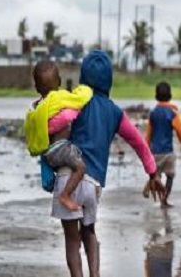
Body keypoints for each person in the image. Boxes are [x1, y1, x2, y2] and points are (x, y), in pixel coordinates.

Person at [49, 50, 165, 277]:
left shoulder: (74, 102)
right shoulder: (115, 112)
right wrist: (153, 172)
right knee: (89, 232)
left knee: (72, 239)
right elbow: (139, 143)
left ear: (83, 77)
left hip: (66, 178)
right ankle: (95, 274)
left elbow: (53, 126)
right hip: (93, 184)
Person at [25, 60, 92, 211]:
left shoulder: (38, 107)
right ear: (60, 81)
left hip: (49, 154)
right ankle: (65, 195)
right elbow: (79, 100)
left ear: (36, 88)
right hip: (60, 149)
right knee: (81, 168)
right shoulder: (59, 98)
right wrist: (85, 89)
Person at [144, 82, 181, 208]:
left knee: (155, 176)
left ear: (156, 96)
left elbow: (148, 133)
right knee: (170, 176)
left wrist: (145, 149)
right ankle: (164, 199)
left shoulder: (153, 113)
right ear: (170, 95)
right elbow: (180, 130)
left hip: (155, 153)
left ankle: (150, 185)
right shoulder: (172, 113)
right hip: (168, 152)